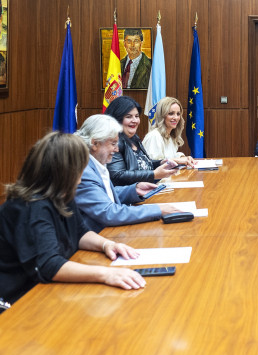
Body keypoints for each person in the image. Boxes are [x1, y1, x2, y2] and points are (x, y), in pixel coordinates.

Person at [0, 132, 146, 305]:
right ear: (66, 170)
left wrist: (108, 245)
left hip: (45, 289)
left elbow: (80, 232)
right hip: (18, 298)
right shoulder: (32, 206)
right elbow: (50, 265)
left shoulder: (61, 193)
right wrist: (105, 274)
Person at [75, 114, 181, 233]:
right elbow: (108, 212)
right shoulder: (84, 171)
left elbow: (104, 196)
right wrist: (157, 209)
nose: (116, 149)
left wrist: (133, 190)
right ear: (94, 144)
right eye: (113, 144)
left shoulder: (95, 162)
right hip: (96, 239)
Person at [105, 96, 177, 186]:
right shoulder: (114, 142)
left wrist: (160, 163)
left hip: (144, 192)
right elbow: (118, 175)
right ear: (117, 118)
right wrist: (153, 174)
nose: (135, 121)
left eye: (137, 116)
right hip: (129, 197)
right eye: (129, 117)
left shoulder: (134, 138)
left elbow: (142, 164)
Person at [142, 97, 196, 167]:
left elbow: (169, 155)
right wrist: (178, 160)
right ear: (162, 115)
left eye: (178, 114)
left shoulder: (170, 135)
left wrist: (182, 157)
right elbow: (154, 164)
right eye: (171, 113)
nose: (176, 118)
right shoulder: (154, 136)